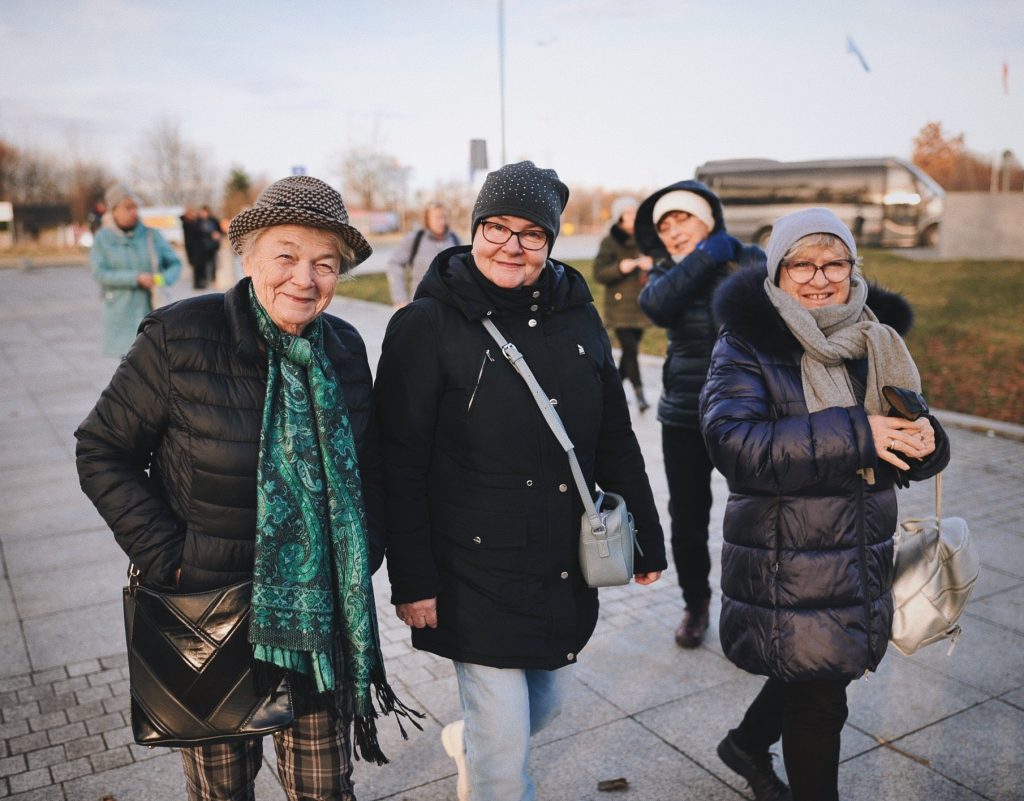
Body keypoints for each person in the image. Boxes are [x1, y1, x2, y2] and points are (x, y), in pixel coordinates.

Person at [76, 175, 415, 801]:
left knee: (325, 790)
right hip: (209, 614)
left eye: (325, 264)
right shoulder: (180, 337)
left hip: (319, 623)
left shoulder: (343, 345)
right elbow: (102, 450)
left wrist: (362, 550)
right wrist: (169, 560)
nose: (304, 279)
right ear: (250, 255)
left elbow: (369, 464)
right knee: (221, 792)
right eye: (286, 256)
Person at [375, 161, 666, 801]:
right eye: (497, 227)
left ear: (551, 242)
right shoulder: (426, 325)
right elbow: (398, 461)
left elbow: (613, 434)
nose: (511, 244)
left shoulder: (577, 315)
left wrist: (646, 536)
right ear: (474, 229)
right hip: (471, 568)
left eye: (531, 233)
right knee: (505, 758)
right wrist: (414, 578)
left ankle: (473, 746)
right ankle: (487, 766)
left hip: (559, 557)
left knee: (549, 699)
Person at [700, 208, 950, 801]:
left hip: (857, 547)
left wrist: (927, 443)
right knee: (821, 700)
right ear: (777, 271)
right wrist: (861, 433)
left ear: (852, 266)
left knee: (816, 668)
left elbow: (905, 423)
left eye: (834, 262)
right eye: (802, 264)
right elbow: (736, 446)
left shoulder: (875, 336)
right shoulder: (745, 345)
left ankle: (743, 745)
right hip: (788, 554)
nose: (820, 278)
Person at [636, 180, 763, 648]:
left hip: (748, 416)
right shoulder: (666, 272)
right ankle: (696, 604)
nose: (671, 231)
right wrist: (706, 254)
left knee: (755, 516)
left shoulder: (748, 258)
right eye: (663, 225)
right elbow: (655, 307)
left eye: (681, 218)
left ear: (707, 217)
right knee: (687, 518)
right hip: (684, 415)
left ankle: (752, 606)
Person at [90, 183, 181, 358]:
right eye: (127, 208)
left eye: (135, 208)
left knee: (157, 368)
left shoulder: (151, 234)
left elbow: (175, 265)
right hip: (120, 313)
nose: (133, 212)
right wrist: (135, 278)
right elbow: (100, 273)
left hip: (152, 311)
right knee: (129, 371)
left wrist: (159, 280)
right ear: (113, 210)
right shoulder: (103, 238)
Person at [593, 196, 654, 411]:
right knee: (631, 351)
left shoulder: (644, 239)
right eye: (627, 214)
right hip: (619, 308)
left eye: (634, 213)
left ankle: (610, 392)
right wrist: (621, 267)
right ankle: (640, 396)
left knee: (630, 353)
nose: (631, 218)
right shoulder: (610, 241)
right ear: (619, 216)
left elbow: (661, 261)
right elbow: (598, 273)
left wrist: (650, 264)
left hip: (640, 305)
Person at [386, 200, 460, 307]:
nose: (442, 221)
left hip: (451, 309)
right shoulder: (415, 239)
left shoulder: (455, 239)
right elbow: (394, 264)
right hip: (421, 307)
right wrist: (400, 298)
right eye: (437, 217)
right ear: (427, 219)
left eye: (444, 217)